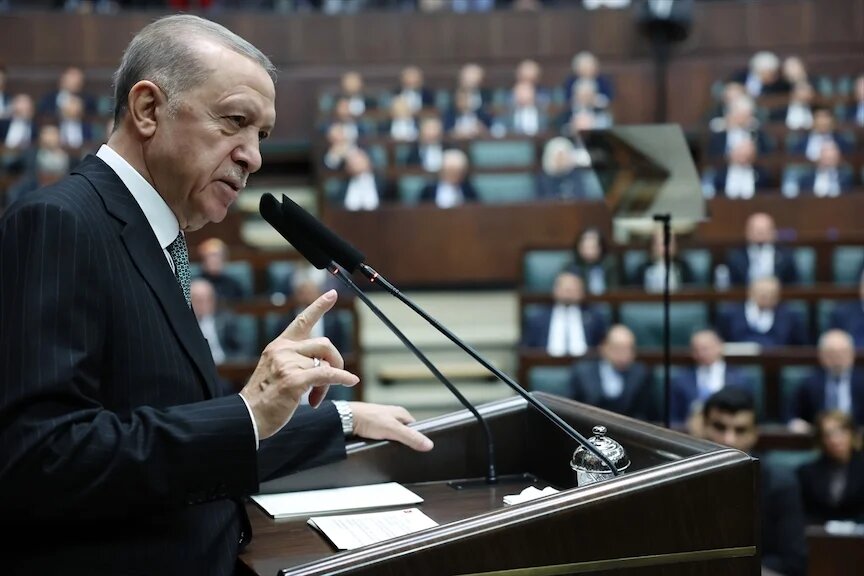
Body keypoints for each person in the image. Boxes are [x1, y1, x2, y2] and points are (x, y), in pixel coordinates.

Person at [0, 15, 433, 576]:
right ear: (148, 109)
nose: (252, 156)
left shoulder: (156, 236)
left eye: (262, 136)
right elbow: (39, 458)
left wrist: (342, 419)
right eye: (234, 121)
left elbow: (169, 425)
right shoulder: (61, 224)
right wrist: (251, 409)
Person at [700, 388, 807, 576]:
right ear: (703, 427)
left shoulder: (781, 485)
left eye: (740, 430)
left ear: (754, 434)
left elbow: (794, 562)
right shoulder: (681, 479)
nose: (728, 439)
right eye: (719, 427)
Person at [567, 324, 657, 421]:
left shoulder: (642, 374)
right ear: (604, 347)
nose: (623, 354)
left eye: (629, 349)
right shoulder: (582, 372)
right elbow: (572, 409)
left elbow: (647, 413)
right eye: (618, 348)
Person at [669, 328, 756, 428]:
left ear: (720, 347)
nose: (701, 354)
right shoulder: (681, 381)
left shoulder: (740, 378)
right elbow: (674, 417)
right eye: (696, 350)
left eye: (705, 349)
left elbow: (749, 414)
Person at [788, 330, 864, 433]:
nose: (838, 357)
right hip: (821, 439)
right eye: (832, 353)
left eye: (842, 352)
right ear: (822, 355)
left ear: (852, 354)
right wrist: (797, 423)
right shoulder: (809, 384)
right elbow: (792, 415)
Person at [797, 410, 864, 524]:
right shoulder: (806, 472)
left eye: (841, 432)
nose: (835, 440)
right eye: (828, 434)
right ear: (821, 440)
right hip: (819, 536)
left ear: (852, 434)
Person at [521, 269, 609, 357]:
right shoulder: (537, 318)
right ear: (554, 290)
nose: (568, 291)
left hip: (586, 365)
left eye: (573, 288)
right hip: (546, 365)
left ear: (582, 292)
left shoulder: (595, 317)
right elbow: (527, 349)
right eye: (564, 287)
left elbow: (602, 347)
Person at [717, 276, 808, 348]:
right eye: (763, 294)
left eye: (771, 294)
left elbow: (800, 346)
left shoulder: (789, 317)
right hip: (738, 365)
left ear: (778, 296)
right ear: (751, 293)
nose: (767, 297)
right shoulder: (731, 314)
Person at [724, 212, 799, 286]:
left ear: (773, 232)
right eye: (757, 230)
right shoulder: (736, 256)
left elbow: (794, 284)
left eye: (764, 230)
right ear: (747, 232)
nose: (760, 233)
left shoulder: (786, 255)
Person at [564, 227, 620, 295]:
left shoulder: (610, 265)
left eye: (593, 247)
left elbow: (616, 289)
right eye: (586, 247)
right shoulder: (571, 266)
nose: (589, 251)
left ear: (601, 248)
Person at [196, 236, 248, 301]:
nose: (214, 260)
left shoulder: (234, 285)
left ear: (224, 259)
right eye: (210, 256)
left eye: (218, 256)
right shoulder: (195, 285)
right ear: (203, 259)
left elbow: (243, 306)